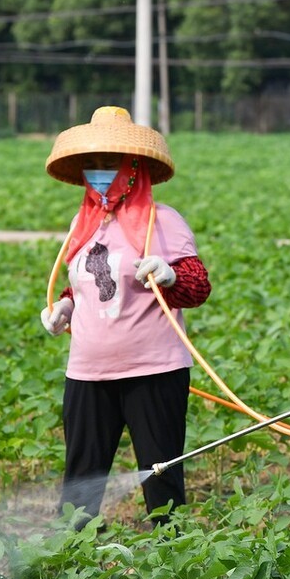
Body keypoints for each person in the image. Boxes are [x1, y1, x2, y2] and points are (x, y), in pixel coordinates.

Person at [41, 106, 211, 526]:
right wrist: (65, 307)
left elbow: (197, 287)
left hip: (153, 371)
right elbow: (83, 284)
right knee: (81, 474)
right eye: (93, 164)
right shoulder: (82, 224)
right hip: (87, 372)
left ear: (134, 168)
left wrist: (171, 275)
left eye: (110, 163)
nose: (100, 173)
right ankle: (73, 552)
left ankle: (173, 555)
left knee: (161, 477)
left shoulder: (163, 221)